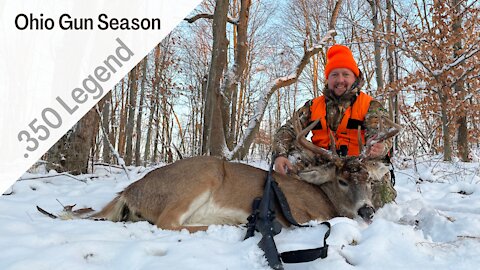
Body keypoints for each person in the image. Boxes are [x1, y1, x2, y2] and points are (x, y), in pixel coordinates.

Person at [272, 44, 396, 209]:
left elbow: (382, 135)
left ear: (355, 77)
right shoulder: (313, 105)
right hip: (324, 162)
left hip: (357, 165)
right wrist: (280, 154)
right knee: (290, 168)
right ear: (328, 79)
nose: (340, 80)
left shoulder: (369, 106)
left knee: (381, 202)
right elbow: (287, 130)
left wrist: (380, 147)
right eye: (334, 75)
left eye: (346, 74)